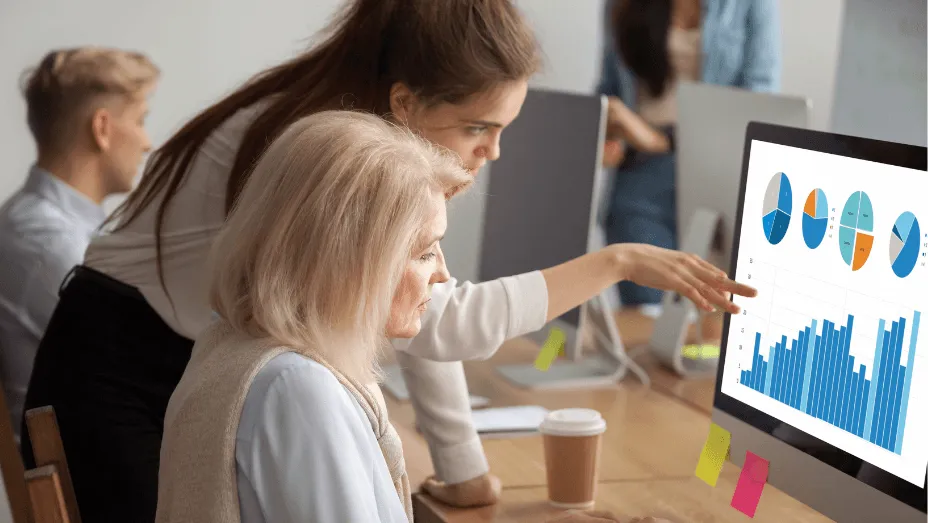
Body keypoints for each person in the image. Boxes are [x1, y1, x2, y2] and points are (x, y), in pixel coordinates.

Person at [22, 1, 755, 521]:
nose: (492, 151)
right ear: (404, 102)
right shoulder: (323, 152)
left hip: (161, 354)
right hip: (118, 372)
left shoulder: (344, 124)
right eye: (478, 126)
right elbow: (434, 317)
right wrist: (614, 262)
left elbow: (398, 301)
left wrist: (461, 466)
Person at [0, 47, 158, 444]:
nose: (147, 142)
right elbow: (145, 365)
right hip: (89, 481)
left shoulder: (49, 230)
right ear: (102, 128)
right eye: (140, 121)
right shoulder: (48, 245)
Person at [599, 0, 781, 307]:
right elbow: (609, 87)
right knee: (650, 317)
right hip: (641, 177)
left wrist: (661, 140)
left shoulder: (752, 5)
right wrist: (607, 133)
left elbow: (758, 98)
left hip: (715, 170)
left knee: (711, 319)